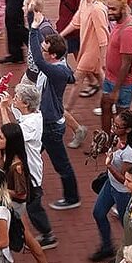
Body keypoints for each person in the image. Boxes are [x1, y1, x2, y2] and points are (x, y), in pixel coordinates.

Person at [0, 121, 57, 263]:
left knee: (2, 239)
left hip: (14, 207)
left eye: (1, 137)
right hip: (9, 206)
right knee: (28, 239)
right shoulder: (6, 155)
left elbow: (21, 193)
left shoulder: (17, 166)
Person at [27, 16, 81, 211]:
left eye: (44, 50)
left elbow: (38, 61)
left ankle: (72, 197)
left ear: (53, 55)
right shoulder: (56, 65)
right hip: (45, 121)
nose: (41, 50)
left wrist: (33, 30)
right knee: (27, 153)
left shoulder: (56, 71)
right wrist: (30, 17)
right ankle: (19, 181)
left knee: (61, 164)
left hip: (50, 126)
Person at [0, 82, 55, 247]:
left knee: (32, 205)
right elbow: (20, 117)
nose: (14, 99)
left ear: (26, 104)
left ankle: (48, 234)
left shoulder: (31, 124)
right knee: (13, 199)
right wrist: (10, 105)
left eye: (17, 98)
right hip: (22, 169)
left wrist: (3, 108)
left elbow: (9, 134)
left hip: (30, 172)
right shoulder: (33, 115)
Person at [89, 110, 132, 263]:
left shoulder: (129, 152)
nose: (113, 128)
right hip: (111, 185)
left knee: (127, 226)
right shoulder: (116, 137)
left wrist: (109, 166)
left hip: (123, 192)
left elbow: (125, 179)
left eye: (117, 126)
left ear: (128, 130)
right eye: (114, 124)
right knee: (98, 213)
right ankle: (107, 247)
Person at [58, 0, 109, 149]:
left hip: (93, 50)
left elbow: (103, 36)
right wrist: (61, 35)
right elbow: (76, 22)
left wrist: (102, 58)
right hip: (87, 47)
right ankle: (112, 101)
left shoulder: (97, 9)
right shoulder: (83, 3)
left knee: (77, 79)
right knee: (100, 76)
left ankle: (67, 110)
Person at [101, 0, 132, 136]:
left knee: (121, 119)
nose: (109, 12)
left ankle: (122, 144)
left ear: (123, 9)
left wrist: (116, 90)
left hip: (123, 83)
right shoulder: (118, 23)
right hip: (110, 77)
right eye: (108, 8)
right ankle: (105, 140)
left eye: (113, 9)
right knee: (105, 106)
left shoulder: (129, 30)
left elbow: (126, 64)